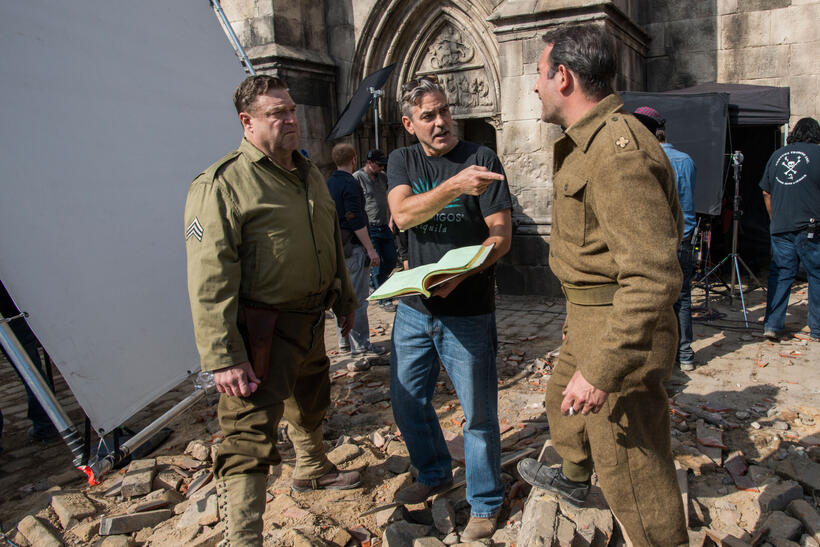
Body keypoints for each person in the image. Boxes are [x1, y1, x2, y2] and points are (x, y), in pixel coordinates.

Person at [516, 25, 688, 546]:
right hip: (591, 315)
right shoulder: (589, 142)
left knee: (633, 469)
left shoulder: (616, 151)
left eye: (539, 76)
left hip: (621, 324)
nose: (535, 88)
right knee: (560, 405)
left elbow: (653, 276)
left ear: (562, 77)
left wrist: (604, 368)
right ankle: (572, 477)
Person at [185, 75, 361, 546]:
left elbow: (330, 243)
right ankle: (244, 539)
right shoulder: (222, 184)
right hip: (260, 333)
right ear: (247, 122)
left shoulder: (309, 174)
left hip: (310, 322)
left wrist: (344, 296)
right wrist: (223, 356)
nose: (290, 120)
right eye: (276, 113)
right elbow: (208, 276)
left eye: (291, 110)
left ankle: (311, 466)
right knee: (247, 438)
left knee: (310, 402)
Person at [386, 76, 513, 541]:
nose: (440, 122)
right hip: (415, 310)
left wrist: (465, 272)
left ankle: (485, 500)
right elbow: (402, 215)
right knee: (406, 400)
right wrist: (456, 186)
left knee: (478, 413)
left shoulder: (483, 158)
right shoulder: (403, 160)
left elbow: (500, 234)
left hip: (469, 309)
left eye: (443, 111)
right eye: (428, 116)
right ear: (409, 124)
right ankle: (434, 470)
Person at [633, 106, 697, 370]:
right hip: (684, 235)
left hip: (653, 241)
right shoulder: (686, 160)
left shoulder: (644, 159)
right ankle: (685, 354)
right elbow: (688, 201)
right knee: (682, 296)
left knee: (650, 297)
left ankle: (659, 357)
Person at [760, 117, 820, 341]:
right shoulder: (818, 155)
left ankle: (772, 326)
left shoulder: (777, 156)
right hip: (810, 227)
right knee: (817, 275)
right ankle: (817, 330)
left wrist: (774, 219)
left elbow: (766, 192)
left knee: (781, 274)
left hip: (781, 226)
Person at [326, 143, 385, 358]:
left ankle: (344, 342)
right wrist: (370, 249)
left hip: (337, 247)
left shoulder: (328, 182)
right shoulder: (350, 184)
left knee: (341, 295)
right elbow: (355, 219)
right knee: (358, 298)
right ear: (354, 159)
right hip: (352, 247)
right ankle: (360, 344)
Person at [0, 279, 59, 452]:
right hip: (11, 305)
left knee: (31, 370)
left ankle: (46, 422)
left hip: (11, 308)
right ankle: (46, 421)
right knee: (31, 370)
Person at [353, 150, 399, 311]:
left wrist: (392, 220)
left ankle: (374, 283)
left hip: (383, 225)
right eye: (379, 165)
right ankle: (384, 299)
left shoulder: (383, 177)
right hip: (369, 227)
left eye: (383, 165)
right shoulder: (357, 178)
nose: (381, 168)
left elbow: (392, 197)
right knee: (377, 263)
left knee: (391, 259)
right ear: (369, 162)